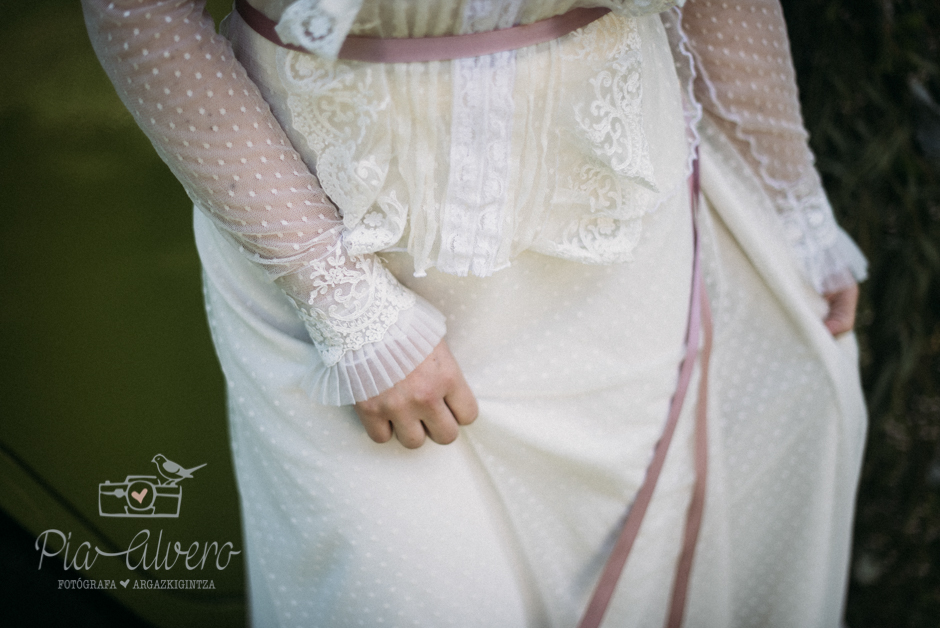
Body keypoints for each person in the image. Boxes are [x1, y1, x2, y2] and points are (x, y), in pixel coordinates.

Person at [81, 0, 868, 626]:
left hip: (607, 266)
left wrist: (792, 206)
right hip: (321, 245)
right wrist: (345, 305)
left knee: (624, 581)